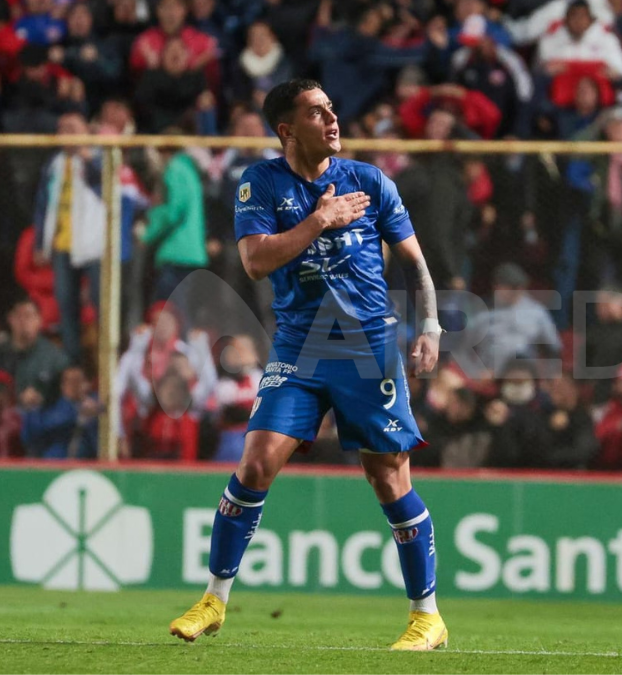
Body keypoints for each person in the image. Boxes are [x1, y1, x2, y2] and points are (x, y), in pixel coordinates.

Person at [168, 79, 446, 650]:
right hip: (299, 346)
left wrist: (433, 328)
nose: (332, 118)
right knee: (255, 464)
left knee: (388, 478)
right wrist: (319, 221)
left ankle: (427, 616)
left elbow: (416, 264)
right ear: (287, 129)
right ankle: (213, 600)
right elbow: (253, 261)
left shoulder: (370, 182)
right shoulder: (261, 183)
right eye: (317, 112)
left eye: (332, 107)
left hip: (369, 348)